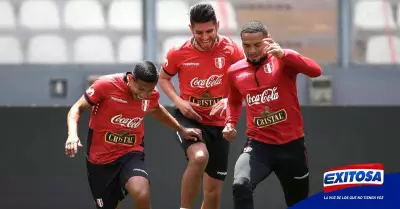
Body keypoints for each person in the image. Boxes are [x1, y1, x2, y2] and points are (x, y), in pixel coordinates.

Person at [64, 61, 202, 209]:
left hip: (131, 152)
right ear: (130, 79)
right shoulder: (105, 85)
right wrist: (72, 135)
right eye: (140, 88)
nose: (143, 94)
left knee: (141, 192)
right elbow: (76, 108)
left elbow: (157, 110)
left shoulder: (150, 95)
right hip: (100, 160)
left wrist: (181, 129)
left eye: (149, 90)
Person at [222, 20, 322, 209]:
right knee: (240, 185)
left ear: (268, 41)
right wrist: (230, 123)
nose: (251, 50)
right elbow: (234, 101)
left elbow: (316, 71)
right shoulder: (234, 71)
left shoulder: (284, 59)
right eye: (246, 46)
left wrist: (284, 54)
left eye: (257, 45)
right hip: (259, 146)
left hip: (292, 147)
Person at [158, 3, 244, 209]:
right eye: (199, 32)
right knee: (199, 157)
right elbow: (163, 78)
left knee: (213, 194)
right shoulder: (178, 53)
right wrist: (179, 101)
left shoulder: (232, 50)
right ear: (191, 29)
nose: (205, 37)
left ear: (218, 26)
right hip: (189, 118)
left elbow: (245, 80)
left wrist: (227, 100)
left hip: (220, 123)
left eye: (209, 31)